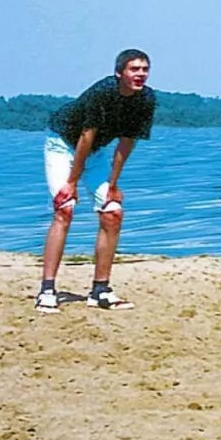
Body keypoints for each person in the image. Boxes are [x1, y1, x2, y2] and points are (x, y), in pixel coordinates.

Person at [36, 49, 158, 313]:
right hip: (63, 144)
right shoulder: (102, 92)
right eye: (134, 69)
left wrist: (113, 185)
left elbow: (126, 143)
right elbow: (86, 136)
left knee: (113, 212)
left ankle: (100, 289)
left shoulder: (146, 99)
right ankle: (47, 289)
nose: (140, 74)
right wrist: (72, 182)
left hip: (96, 152)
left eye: (144, 69)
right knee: (64, 209)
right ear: (119, 73)